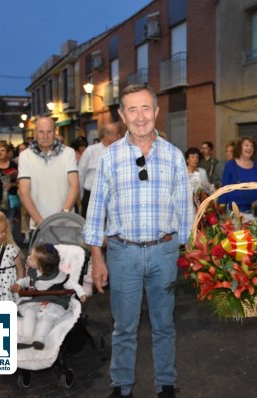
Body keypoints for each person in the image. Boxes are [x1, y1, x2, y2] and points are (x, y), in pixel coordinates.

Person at [83, 84, 192, 398]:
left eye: (146, 108)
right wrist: (97, 257)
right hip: (122, 254)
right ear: (121, 115)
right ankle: (121, 386)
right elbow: (95, 211)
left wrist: (189, 254)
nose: (140, 116)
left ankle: (166, 384)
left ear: (157, 112)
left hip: (165, 252)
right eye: (132, 109)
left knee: (164, 325)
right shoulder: (109, 158)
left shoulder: (173, 156)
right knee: (124, 327)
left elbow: (185, 208)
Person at [11, 243, 86, 350]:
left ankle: (39, 339)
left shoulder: (59, 276)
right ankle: (26, 337)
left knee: (48, 317)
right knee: (29, 312)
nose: (28, 258)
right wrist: (19, 284)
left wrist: (81, 293)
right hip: (36, 300)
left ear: (41, 265)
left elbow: (72, 284)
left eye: (31, 258)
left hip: (54, 301)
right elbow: (27, 280)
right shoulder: (33, 272)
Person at [18, 117, 80, 232]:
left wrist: (64, 215)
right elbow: (23, 192)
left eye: (49, 132)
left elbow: (74, 186)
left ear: (55, 132)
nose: (45, 136)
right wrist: (39, 221)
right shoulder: (25, 156)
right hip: (38, 224)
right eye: (41, 132)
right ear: (35, 133)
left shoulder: (68, 153)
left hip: (65, 223)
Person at [78, 123, 122, 218]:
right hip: (92, 196)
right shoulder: (91, 151)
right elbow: (80, 173)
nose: (119, 136)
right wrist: (80, 198)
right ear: (107, 135)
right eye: (116, 133)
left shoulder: (121, 151)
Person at [219, 136, 257, 213]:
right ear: (239, 147)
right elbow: (224, 187)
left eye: (252, 146)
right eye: (246, 145)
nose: (249, 148)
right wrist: (222, 205)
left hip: (255, 211)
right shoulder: (230, 165)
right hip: (235, 212)